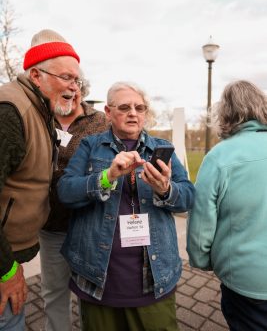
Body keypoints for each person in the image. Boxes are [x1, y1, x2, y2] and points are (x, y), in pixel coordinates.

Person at [57, 81, 195, 331]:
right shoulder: (91, 146)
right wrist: (107, 176)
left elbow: (188, 197)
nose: (133, 112)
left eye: (139, 107)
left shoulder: (162, 149)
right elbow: (65, 192)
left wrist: (165, 189)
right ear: (108, 112)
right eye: (124, 107)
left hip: (154, 277)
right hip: (99, 277)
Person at [0, 28, 81, 330]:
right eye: (66, 78)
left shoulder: (40, 108)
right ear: (36, 75)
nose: (74, 86)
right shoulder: (10, 111)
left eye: (76, 79)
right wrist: (6, 270)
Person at [187, 80, 267, 331]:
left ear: (226, 113)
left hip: (247, 281)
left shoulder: (220, 156)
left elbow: (201, 222)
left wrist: (200, 260)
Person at [39, 75, 108, 331]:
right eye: (65, 87)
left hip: (89, 222)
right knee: (54, 291)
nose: (71, 92)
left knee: (90, 292)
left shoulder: (101, 121)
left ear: (82, 90)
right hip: (51, 223)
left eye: (76, 86)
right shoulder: (41, 117)